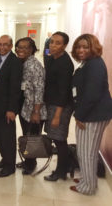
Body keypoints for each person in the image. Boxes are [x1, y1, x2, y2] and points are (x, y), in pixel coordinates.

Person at [70, 34, 112, 195]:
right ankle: (88, 180)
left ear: (93, 48)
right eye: (78, 47)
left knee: (86, 152)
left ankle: (87, 187)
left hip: (92, 115)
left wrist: (80, 115)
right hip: (93, 113)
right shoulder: (88, 63)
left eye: (85, 47)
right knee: (90, 151)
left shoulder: (94, 64)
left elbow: (92, 94)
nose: (81, 50)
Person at [0, 35, 22, 177]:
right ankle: (4, 160)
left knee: (7, 138)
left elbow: (15, 89)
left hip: (6, 108)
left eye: (5, 45)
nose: (2, 47)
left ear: (11, 45)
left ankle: (10, 166)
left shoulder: (14, 62)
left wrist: (11, 109)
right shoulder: (0, 58)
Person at [44, 31, 74, 182]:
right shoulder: (52, 58)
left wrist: (57, 115)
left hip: (61, 106)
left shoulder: (65, 64)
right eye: (52, 42)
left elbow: (64, 92)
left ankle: (61, 172)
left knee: (60, 139)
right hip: (52, 103)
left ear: (65, 45)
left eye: (58, 43)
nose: (53, 45)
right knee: (56, 138)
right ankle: (64, 166)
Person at [15, 37, 47, 175]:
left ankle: (31, 164)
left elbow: (39, 89)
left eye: (25, 47)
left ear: (32, 49)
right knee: (27, 137)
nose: (21, 50)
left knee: (33, 138)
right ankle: (28, 161)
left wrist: (36, 111)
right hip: (26, 109)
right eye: (19, 47)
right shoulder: (24, 63)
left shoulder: (35, 65)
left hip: (34, 110)